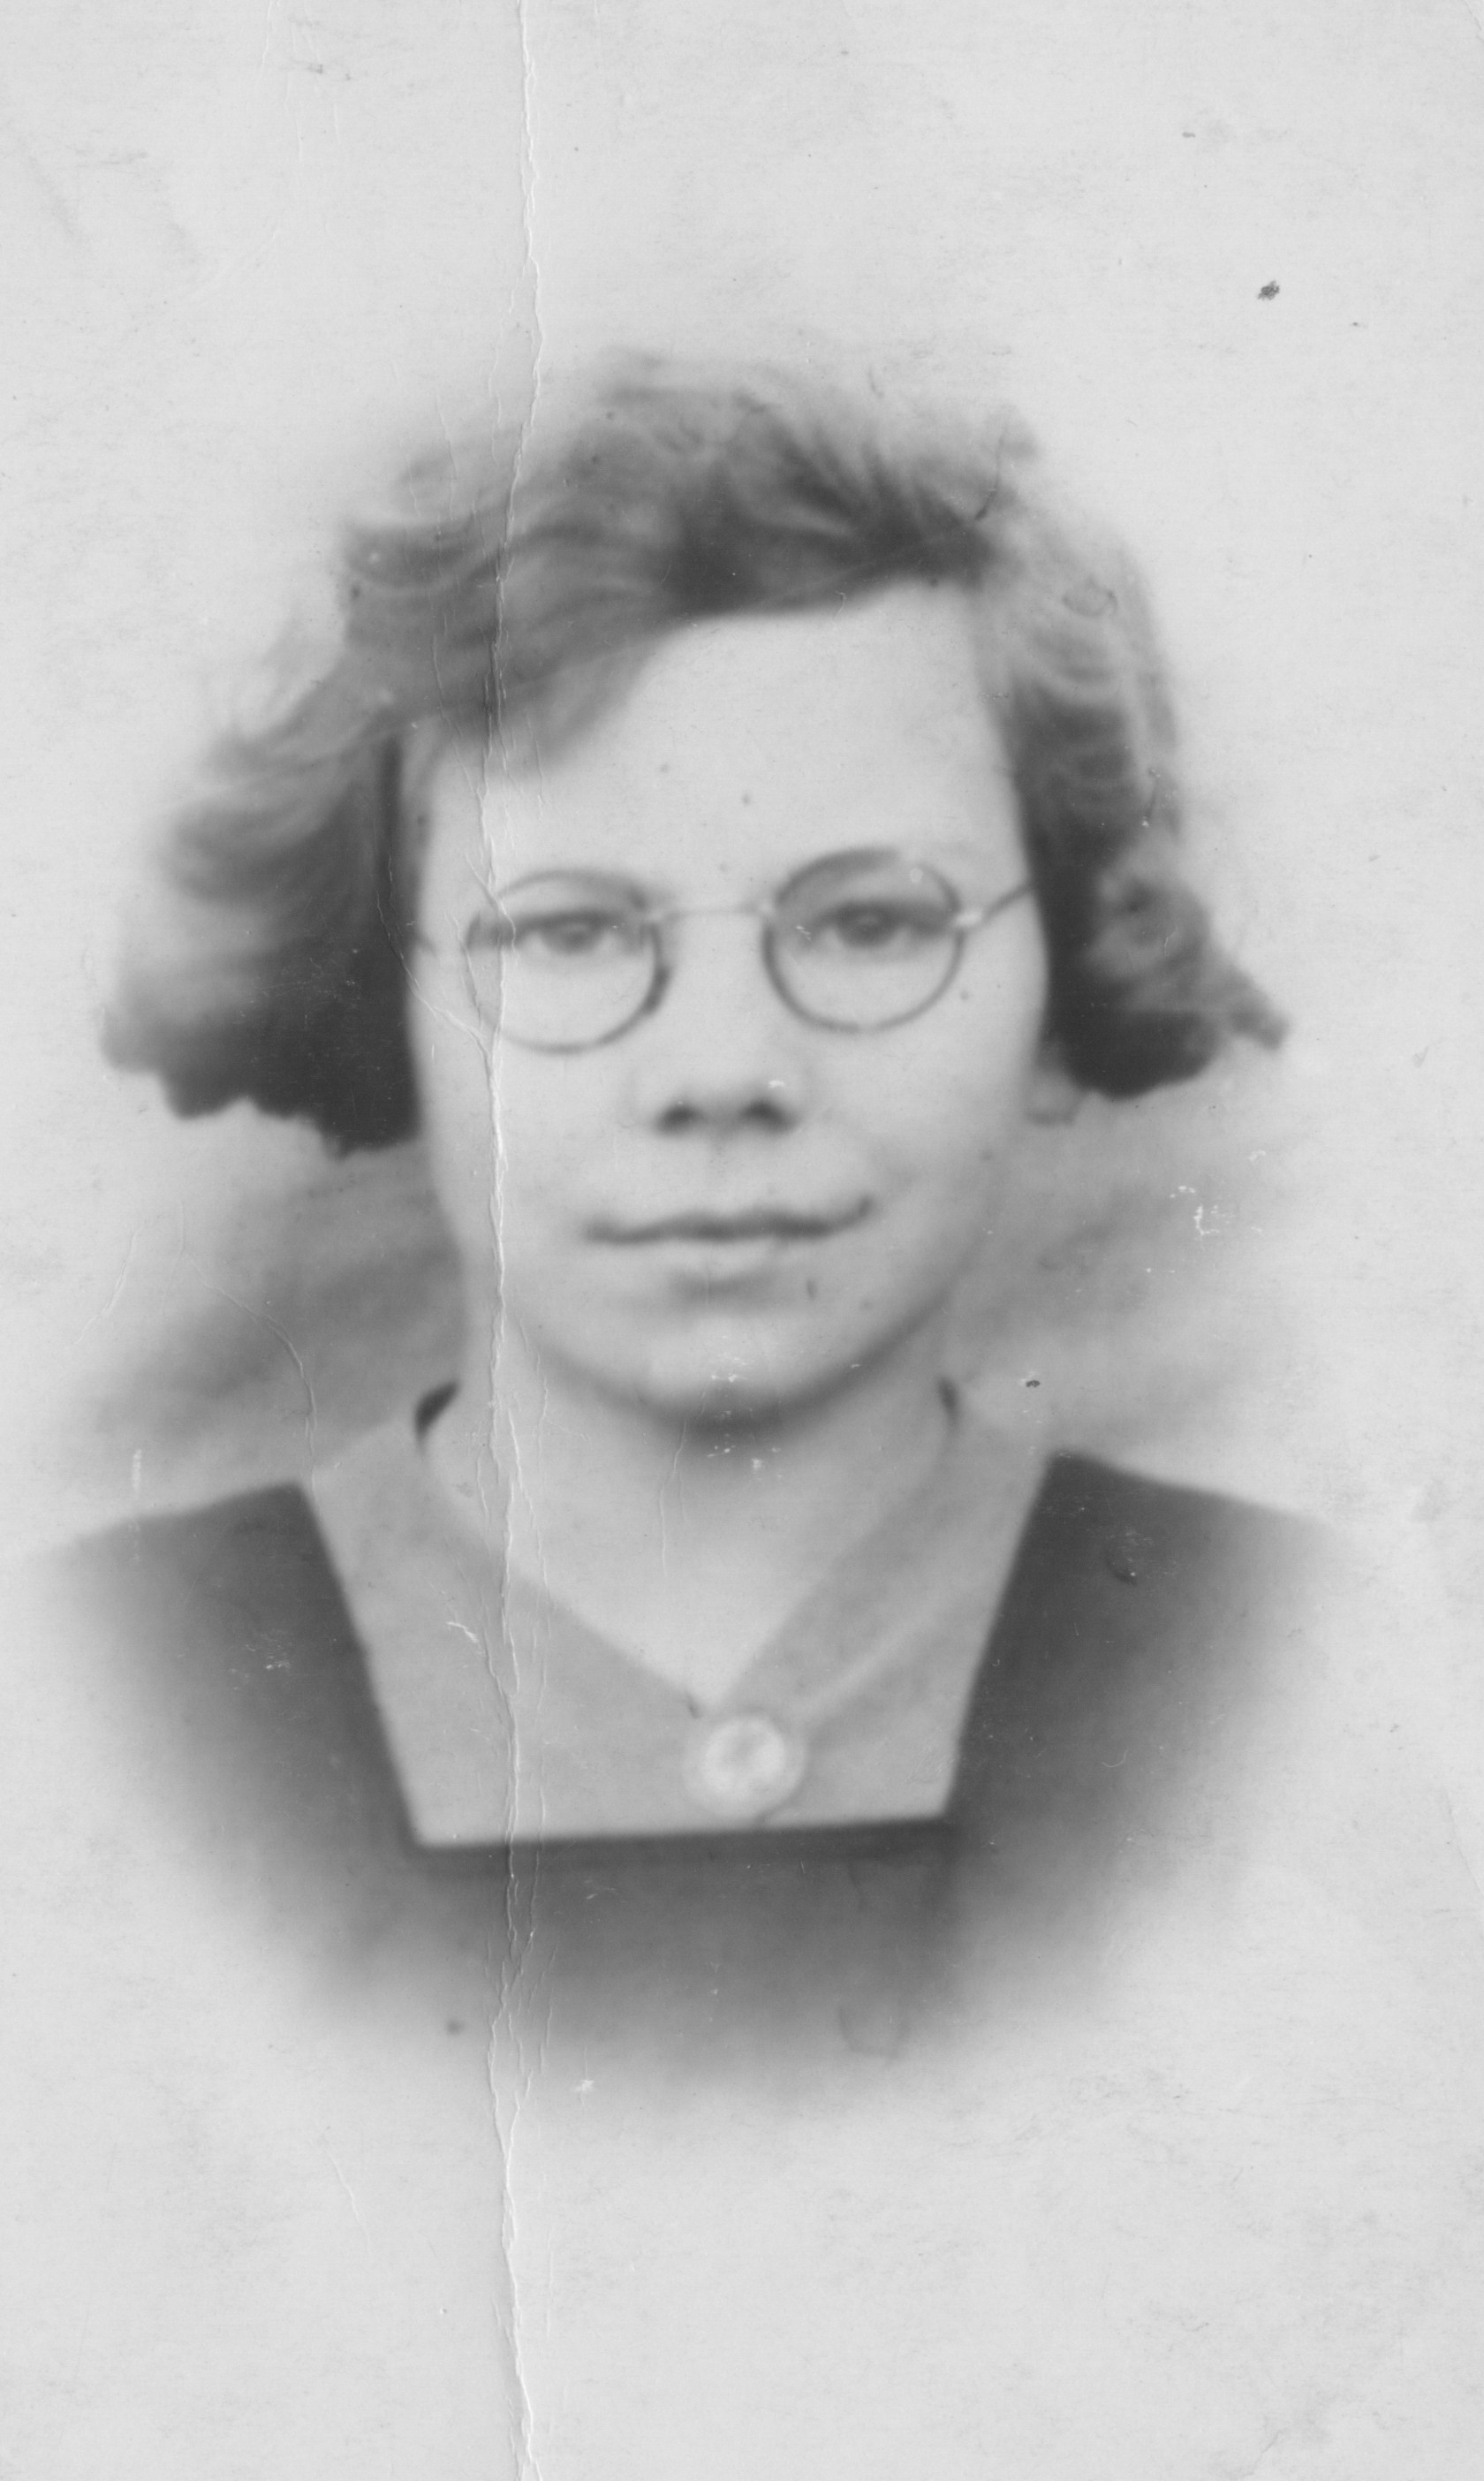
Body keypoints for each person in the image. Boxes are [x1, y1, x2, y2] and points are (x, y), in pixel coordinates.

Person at [31, 357, 1481, 2472]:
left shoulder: (1342, 1683)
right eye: (564, 931)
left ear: (1065, 978)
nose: (724, 1071)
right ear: (386, 993)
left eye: (873, 920)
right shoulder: (87, 1709)